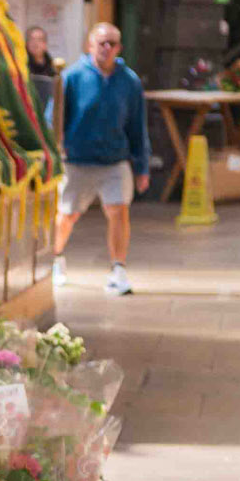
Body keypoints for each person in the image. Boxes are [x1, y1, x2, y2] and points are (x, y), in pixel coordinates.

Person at [53, 22, 150, 296]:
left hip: (114, 160)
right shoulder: (72, 76)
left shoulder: (129, 81)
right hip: (77, 160)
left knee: (119, 211)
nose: (106, 48)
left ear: (119, 48)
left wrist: (141, 166)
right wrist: (55, 151)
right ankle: (56, 257)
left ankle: (118, 269)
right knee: (67, 215)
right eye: (101, 43)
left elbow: (137, 125)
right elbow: (55, 117)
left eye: (112, 43)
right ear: (90, 45)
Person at [24, 24, 59, 131]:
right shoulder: (21, 67)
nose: (36, 43)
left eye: (39, 40)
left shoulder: (54, 69)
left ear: (45, 44)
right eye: (32, 39)